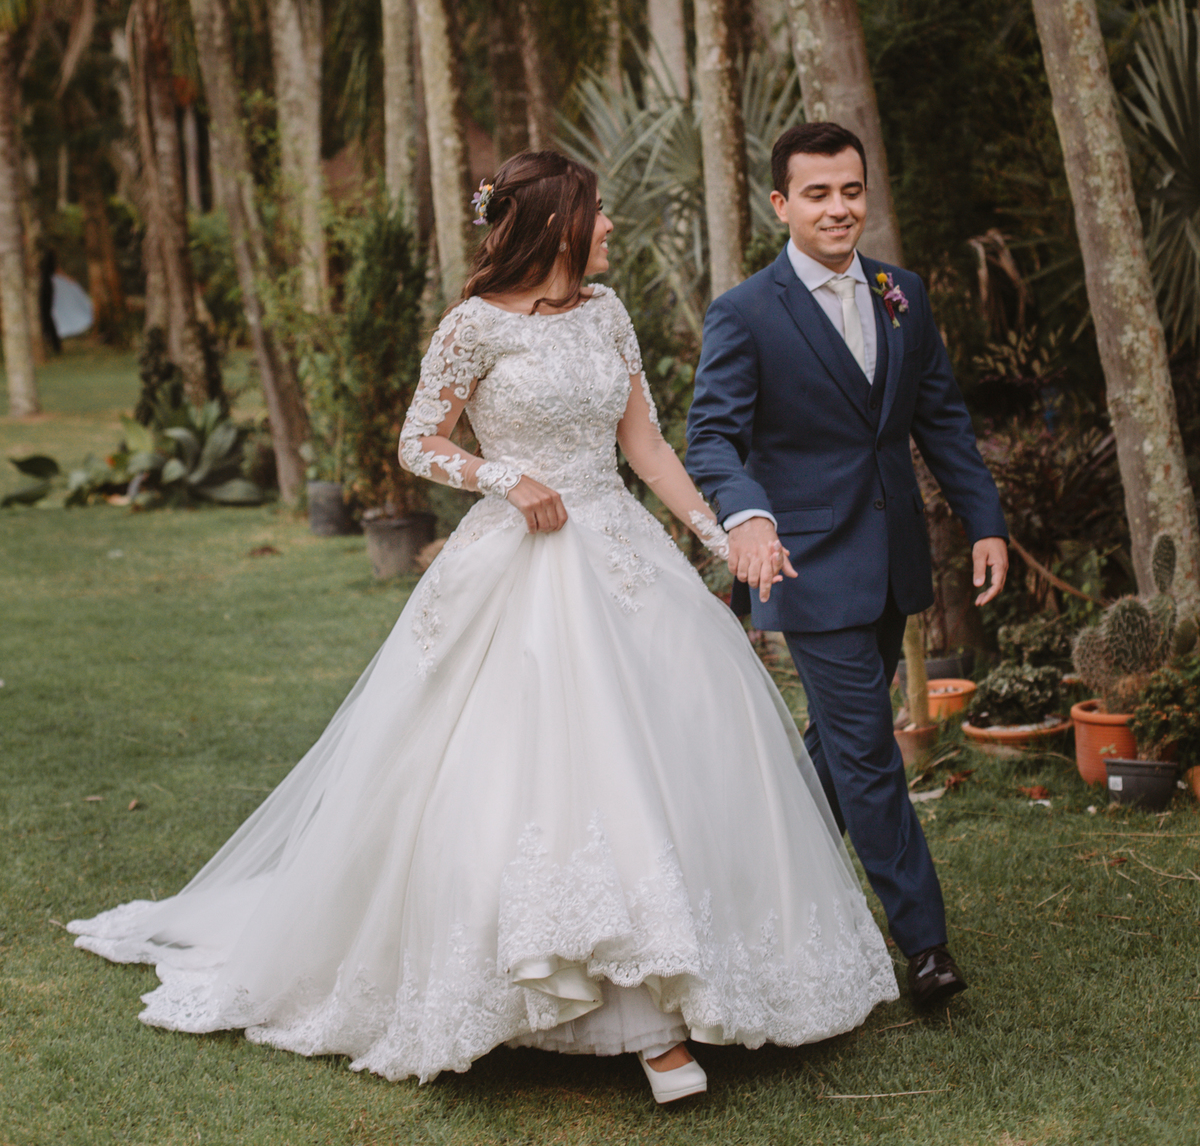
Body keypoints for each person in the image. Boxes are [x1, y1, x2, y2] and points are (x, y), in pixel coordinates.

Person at [70, 150, 897, 1104]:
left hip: (622, 557)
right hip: (518, 566)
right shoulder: (470, 328)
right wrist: (503, 476)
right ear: (556, 223)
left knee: (673, 752)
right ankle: (614, 1019)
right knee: (524, 773)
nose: (611, 228)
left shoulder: (608, 312)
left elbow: (647, 446)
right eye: (598, 212)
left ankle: (677, 1002)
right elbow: (417, 441)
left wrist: (724, 538)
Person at [686, 122, 1009, 1008]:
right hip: (806, 564)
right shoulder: (746, 311)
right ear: (782, 205)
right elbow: (711, 435)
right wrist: (747, 515)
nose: (840, 208)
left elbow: (938, 416)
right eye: (819, 194)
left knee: (835, 741)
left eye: (852, 190)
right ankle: (926, 945)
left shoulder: (903, 292)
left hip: (895, 558)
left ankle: (756, 880)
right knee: (869, 754)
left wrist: (984, 520)